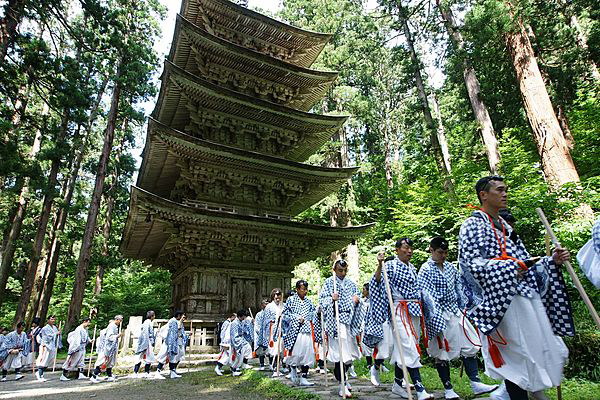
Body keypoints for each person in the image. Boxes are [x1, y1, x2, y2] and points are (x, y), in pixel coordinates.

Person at [459, 176, 574, 400]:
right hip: (501, 303)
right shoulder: (472, 225)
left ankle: (535, 395)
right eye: (499, 190)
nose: (505, 194)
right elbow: (469, 265)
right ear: (483, 195)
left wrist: (551, 262)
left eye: (506, 190)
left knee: (538, 351)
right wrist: (509, 269)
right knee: (517, 357)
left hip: (524, 298)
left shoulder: (505, 228)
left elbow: (524, 261)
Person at [419, 237, 497, 399]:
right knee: (442, 352)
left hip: (455, 311)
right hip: (439, 314)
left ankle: (476, 382)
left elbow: (459, 288)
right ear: (431, 250)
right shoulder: (425, 269)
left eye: (446, 252)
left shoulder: (450, 267)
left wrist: (465, 309)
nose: (444, 255)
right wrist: (436, 320)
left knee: (470, 345)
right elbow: (427, 297)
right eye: (440, 252)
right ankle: (448, 389)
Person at [365, 238, 433, 400]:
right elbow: (376, 281)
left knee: (402, 348)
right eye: (406, 248)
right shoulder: (390, 266)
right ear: (397, 250)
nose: (409, 251)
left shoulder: (412, 268)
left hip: (413, 311)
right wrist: (380, 264)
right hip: (399, 311)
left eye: (411, 248)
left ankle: (397, 383)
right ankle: (419, 387)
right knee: (408, 347)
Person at [319, 259, 365, 398]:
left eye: (345, 270)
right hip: (336, 321)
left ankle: (344, 378)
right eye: (340, 270)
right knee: (340, 353)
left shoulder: (351, 283)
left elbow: (360, 297)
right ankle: (342, 384)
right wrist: (331, 299)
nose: (343, 273)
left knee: (348, 353)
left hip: (348, 321)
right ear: (334, 270)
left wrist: (357, 299)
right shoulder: (328, 283)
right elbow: (322, 302)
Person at [282, 280, 318, 386]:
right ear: (297, 289)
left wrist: (318, 312)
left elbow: (313, 314)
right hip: (295, 331)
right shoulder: (291, 300)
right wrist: (297, 318)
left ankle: (304, 377)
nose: (305, 292)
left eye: (306, 290)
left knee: (307, 354)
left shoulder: (309, 302)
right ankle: (292, 369)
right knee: (296, 353)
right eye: (303, 289)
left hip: (306, 330)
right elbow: (286, 314)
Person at [90, 316, 124, 383]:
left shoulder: (114, 326)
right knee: (103, 361)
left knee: (110, 362)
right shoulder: (111, 326)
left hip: (111, 347)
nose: (120, 322)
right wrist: (117, 336)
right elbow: (109, 337)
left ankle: (109, 375)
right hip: (107, 348)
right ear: (117, 320)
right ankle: (94, 376)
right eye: (120, 320)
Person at [155, 310, 186, 379]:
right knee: (163, 357)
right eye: (182, 316)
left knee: (175, 357)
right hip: (170, 342)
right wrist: (171, 344)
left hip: (175, 342)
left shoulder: (176, 321)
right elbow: (173, 333)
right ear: (178, 316)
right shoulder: (173, 321)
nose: (182, 318)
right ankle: (157, 372)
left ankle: (172, 372)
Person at [35, 316, 62, 382]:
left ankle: (40, 373)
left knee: (50, 360)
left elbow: (56, 336)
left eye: (54, 319)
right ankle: (40, 374)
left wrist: (58, 334)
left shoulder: (55, 328)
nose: (53, 320)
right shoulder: (45, 328)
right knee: (43, 360)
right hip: (46, 346)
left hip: (52, 346)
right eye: (51, 319)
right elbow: (47, 336)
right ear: (48, 320)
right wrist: (56, 333)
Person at [263, 288, 283, 373]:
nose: (277, 297)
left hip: (282, 330)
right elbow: (266, 320)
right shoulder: (269, 306)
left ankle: (280, 366)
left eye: (279, 295)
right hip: (272, 330)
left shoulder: (283, 305)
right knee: (273, 349)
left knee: (280, 349)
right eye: (276, 296)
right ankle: (274, 367)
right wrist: (274, 320)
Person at [132, 311, 156, 378]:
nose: (154, 317)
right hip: (146, 342)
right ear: (152, 316)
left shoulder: (146, 322)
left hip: (144, 341)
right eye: (154, 315)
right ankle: (145, 372)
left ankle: (138, 372)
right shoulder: (148, 323)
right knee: (147, 357)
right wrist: (149, 343)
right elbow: (146, 334)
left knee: (142, 357)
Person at [230, 310, 253, 376]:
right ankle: (234, 370)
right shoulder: (235, 323)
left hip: (242, 340)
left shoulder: (241, 322)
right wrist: (238, 343)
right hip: (237, 341)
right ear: (241, 316)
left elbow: (246, 327)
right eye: (243, 316)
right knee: (238, 357)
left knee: (247, 350)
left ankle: (242, 365)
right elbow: (234, 335)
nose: (244, 318)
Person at [253, 300, 269, 370]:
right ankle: (262, 365)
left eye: (267, 304)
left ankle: (271, 364)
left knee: (270, 350)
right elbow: (257, 325)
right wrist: (261, 333)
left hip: (269, 334)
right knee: (261, 351)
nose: (266, 305)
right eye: (265, 304)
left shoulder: (270, 313)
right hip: (261, 334)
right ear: (262, 305)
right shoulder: (259, 314)